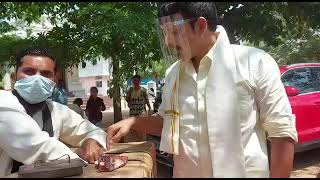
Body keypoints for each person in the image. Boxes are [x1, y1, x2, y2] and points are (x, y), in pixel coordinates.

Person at [106, 2, 297, 178]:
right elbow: (170, 124)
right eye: (164, 32)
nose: (168, 41)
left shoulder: (254, 62)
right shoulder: (174, 73)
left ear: (201, 25)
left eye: (174, 31)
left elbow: (281, 132)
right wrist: (133, 122)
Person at [0, 47, 108, 177]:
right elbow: (36, 147)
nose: (37, 79)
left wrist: (92, 140)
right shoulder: (3, 102)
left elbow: (92, 130)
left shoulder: (56, 110)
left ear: (54, 81)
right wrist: (78, 158)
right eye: (29, 71)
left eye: (46, 74)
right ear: (14, 78)